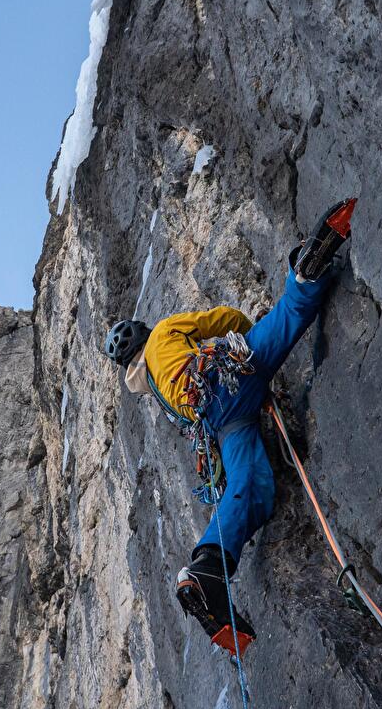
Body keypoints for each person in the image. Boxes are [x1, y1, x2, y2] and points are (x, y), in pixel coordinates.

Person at [103, 199, 356, 654]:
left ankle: (207, 569)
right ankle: (306, 272)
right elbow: (220, 320)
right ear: (142, 334)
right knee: (283, 323)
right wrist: (244, 330)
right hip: (227, 378)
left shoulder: (157, 393)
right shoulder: (162, 334)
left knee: (249, 485)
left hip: (220, 421)